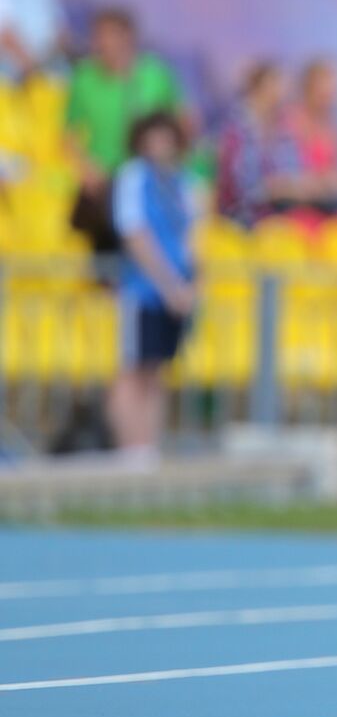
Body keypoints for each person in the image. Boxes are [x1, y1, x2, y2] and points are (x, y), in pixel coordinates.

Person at [107, 111, 202, 463]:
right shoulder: (134, 177)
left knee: (157, 370)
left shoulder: (182, 182)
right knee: (133, 369)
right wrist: (167, 284)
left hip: (174, 293)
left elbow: (192, 237)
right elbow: (135, 235)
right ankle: (130, 449)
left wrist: (191, 284)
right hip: (143, 291)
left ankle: (148, 447)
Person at [66, 7, 189, 257]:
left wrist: (171, 164)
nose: (99, 43)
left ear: (127, 37)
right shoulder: (85, 78)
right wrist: (87, 169)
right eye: (97, 36)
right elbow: (68, 135)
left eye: (106, 36)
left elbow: (182, 122)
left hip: (148, 181)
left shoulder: (156, 75)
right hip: (104, 183)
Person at [215, 61, 311, 227]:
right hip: (242, 220)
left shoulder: (284, 128)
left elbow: (295, 172)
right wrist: (274, 188)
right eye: (276, 84)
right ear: (257, 88)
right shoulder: (237, 129)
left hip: (281, 215)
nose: (282, 91)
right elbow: (240, 185)